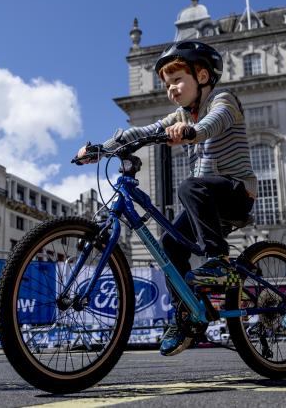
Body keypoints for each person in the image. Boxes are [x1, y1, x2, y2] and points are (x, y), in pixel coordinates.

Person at [75, 40, 256, 356]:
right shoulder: (181, 115)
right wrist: (101, 149)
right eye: (166, 84)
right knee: (171, 244)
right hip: (206, 198)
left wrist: (193, 132)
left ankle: (221, 264)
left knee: (189, 186)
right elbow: (143, 132)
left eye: (177, 80)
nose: (171, 89)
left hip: (235, 193)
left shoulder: (223, 100)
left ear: (201, 76)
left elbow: (214, 124)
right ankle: (186, 317)